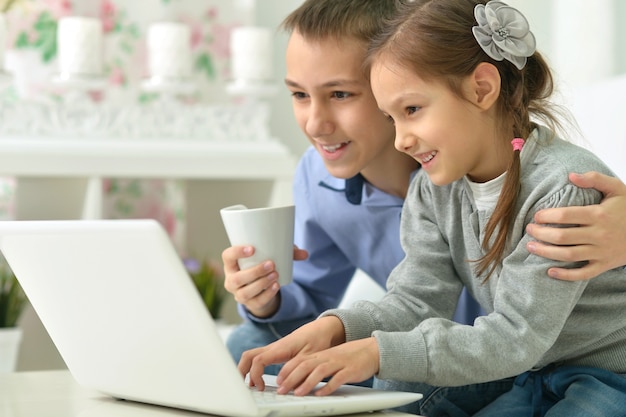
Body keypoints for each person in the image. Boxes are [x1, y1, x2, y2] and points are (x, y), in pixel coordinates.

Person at [238, 1, 626, 416]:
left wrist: (375, 352)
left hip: (603, 374)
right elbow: (416, 302)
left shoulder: (561, 189)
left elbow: (517, 335)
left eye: (412, 111)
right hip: (532, 371)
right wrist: (336, 327)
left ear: (481, 89)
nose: (401, 140)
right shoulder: (432, 189)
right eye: (392, 118)